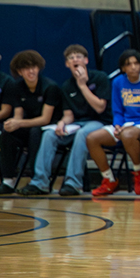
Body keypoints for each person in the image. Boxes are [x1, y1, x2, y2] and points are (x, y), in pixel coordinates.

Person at [17, 45, 111, 196]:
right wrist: (61, 123)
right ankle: (40, 182)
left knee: (83, 134)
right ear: (67, 64)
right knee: (50, 134)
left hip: (99, 123)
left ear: (86, 60)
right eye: (71, 58)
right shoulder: (66, 85)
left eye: (78, 56)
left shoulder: (100, 78)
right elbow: (69, 115)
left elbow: (100, 108)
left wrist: (82, 85)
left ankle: (73, 183)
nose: (75, 60)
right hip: (76, 124)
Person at [85, 49, 140, 197]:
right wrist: (118, 125)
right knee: (92, 138)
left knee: (127, 135)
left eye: (136, 63)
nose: (133, 67)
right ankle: (108, 179)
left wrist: (130, 126)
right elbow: (118, 111)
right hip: (125, 125)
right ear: (123, 68)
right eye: (129, 64)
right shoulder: (118, 82)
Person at [0, 51, 62, 195]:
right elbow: (18, 115)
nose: (31, 71)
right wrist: (12, 123)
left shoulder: (50, 87)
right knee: (7, 133)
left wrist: (20, 123)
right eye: (27, 68)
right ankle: (8, 181)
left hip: (49, 127)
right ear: (19, 71)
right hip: (28, 125)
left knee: (35, 132)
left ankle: (37, 180)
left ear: (39, 68)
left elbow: (45, 119)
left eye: (34, 67)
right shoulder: (17, 87)